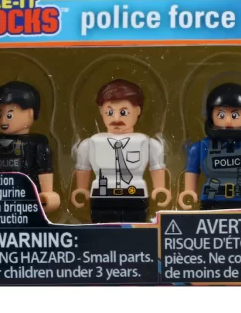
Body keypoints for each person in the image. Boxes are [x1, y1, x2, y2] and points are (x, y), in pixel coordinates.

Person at [71, 79, 171, 223]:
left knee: (136, 225)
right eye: (110, 112)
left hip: (134, 193)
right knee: (101, 225)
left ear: (137, 111)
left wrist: (160, 189)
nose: (116, 118)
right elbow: (83, 169)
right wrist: (81, 189)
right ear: (101, 111)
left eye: (123, 112)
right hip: (102, 193)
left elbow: (156, 168)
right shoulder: (90, 144)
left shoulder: (148, 144)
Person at [178, 82, 241, 210]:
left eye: (235, 115)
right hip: (212, 198)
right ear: (210, 116)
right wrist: (189, 192)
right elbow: (192, 170)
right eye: (221, 115)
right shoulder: (200, 148)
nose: (228, 121)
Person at [0, 80, 60, 213]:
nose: (3, 120)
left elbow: (44, 170)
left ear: (30, 114)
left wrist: (47, 193)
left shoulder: (36, 144)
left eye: (9, 115)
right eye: (0, 114)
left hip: (26, 196)